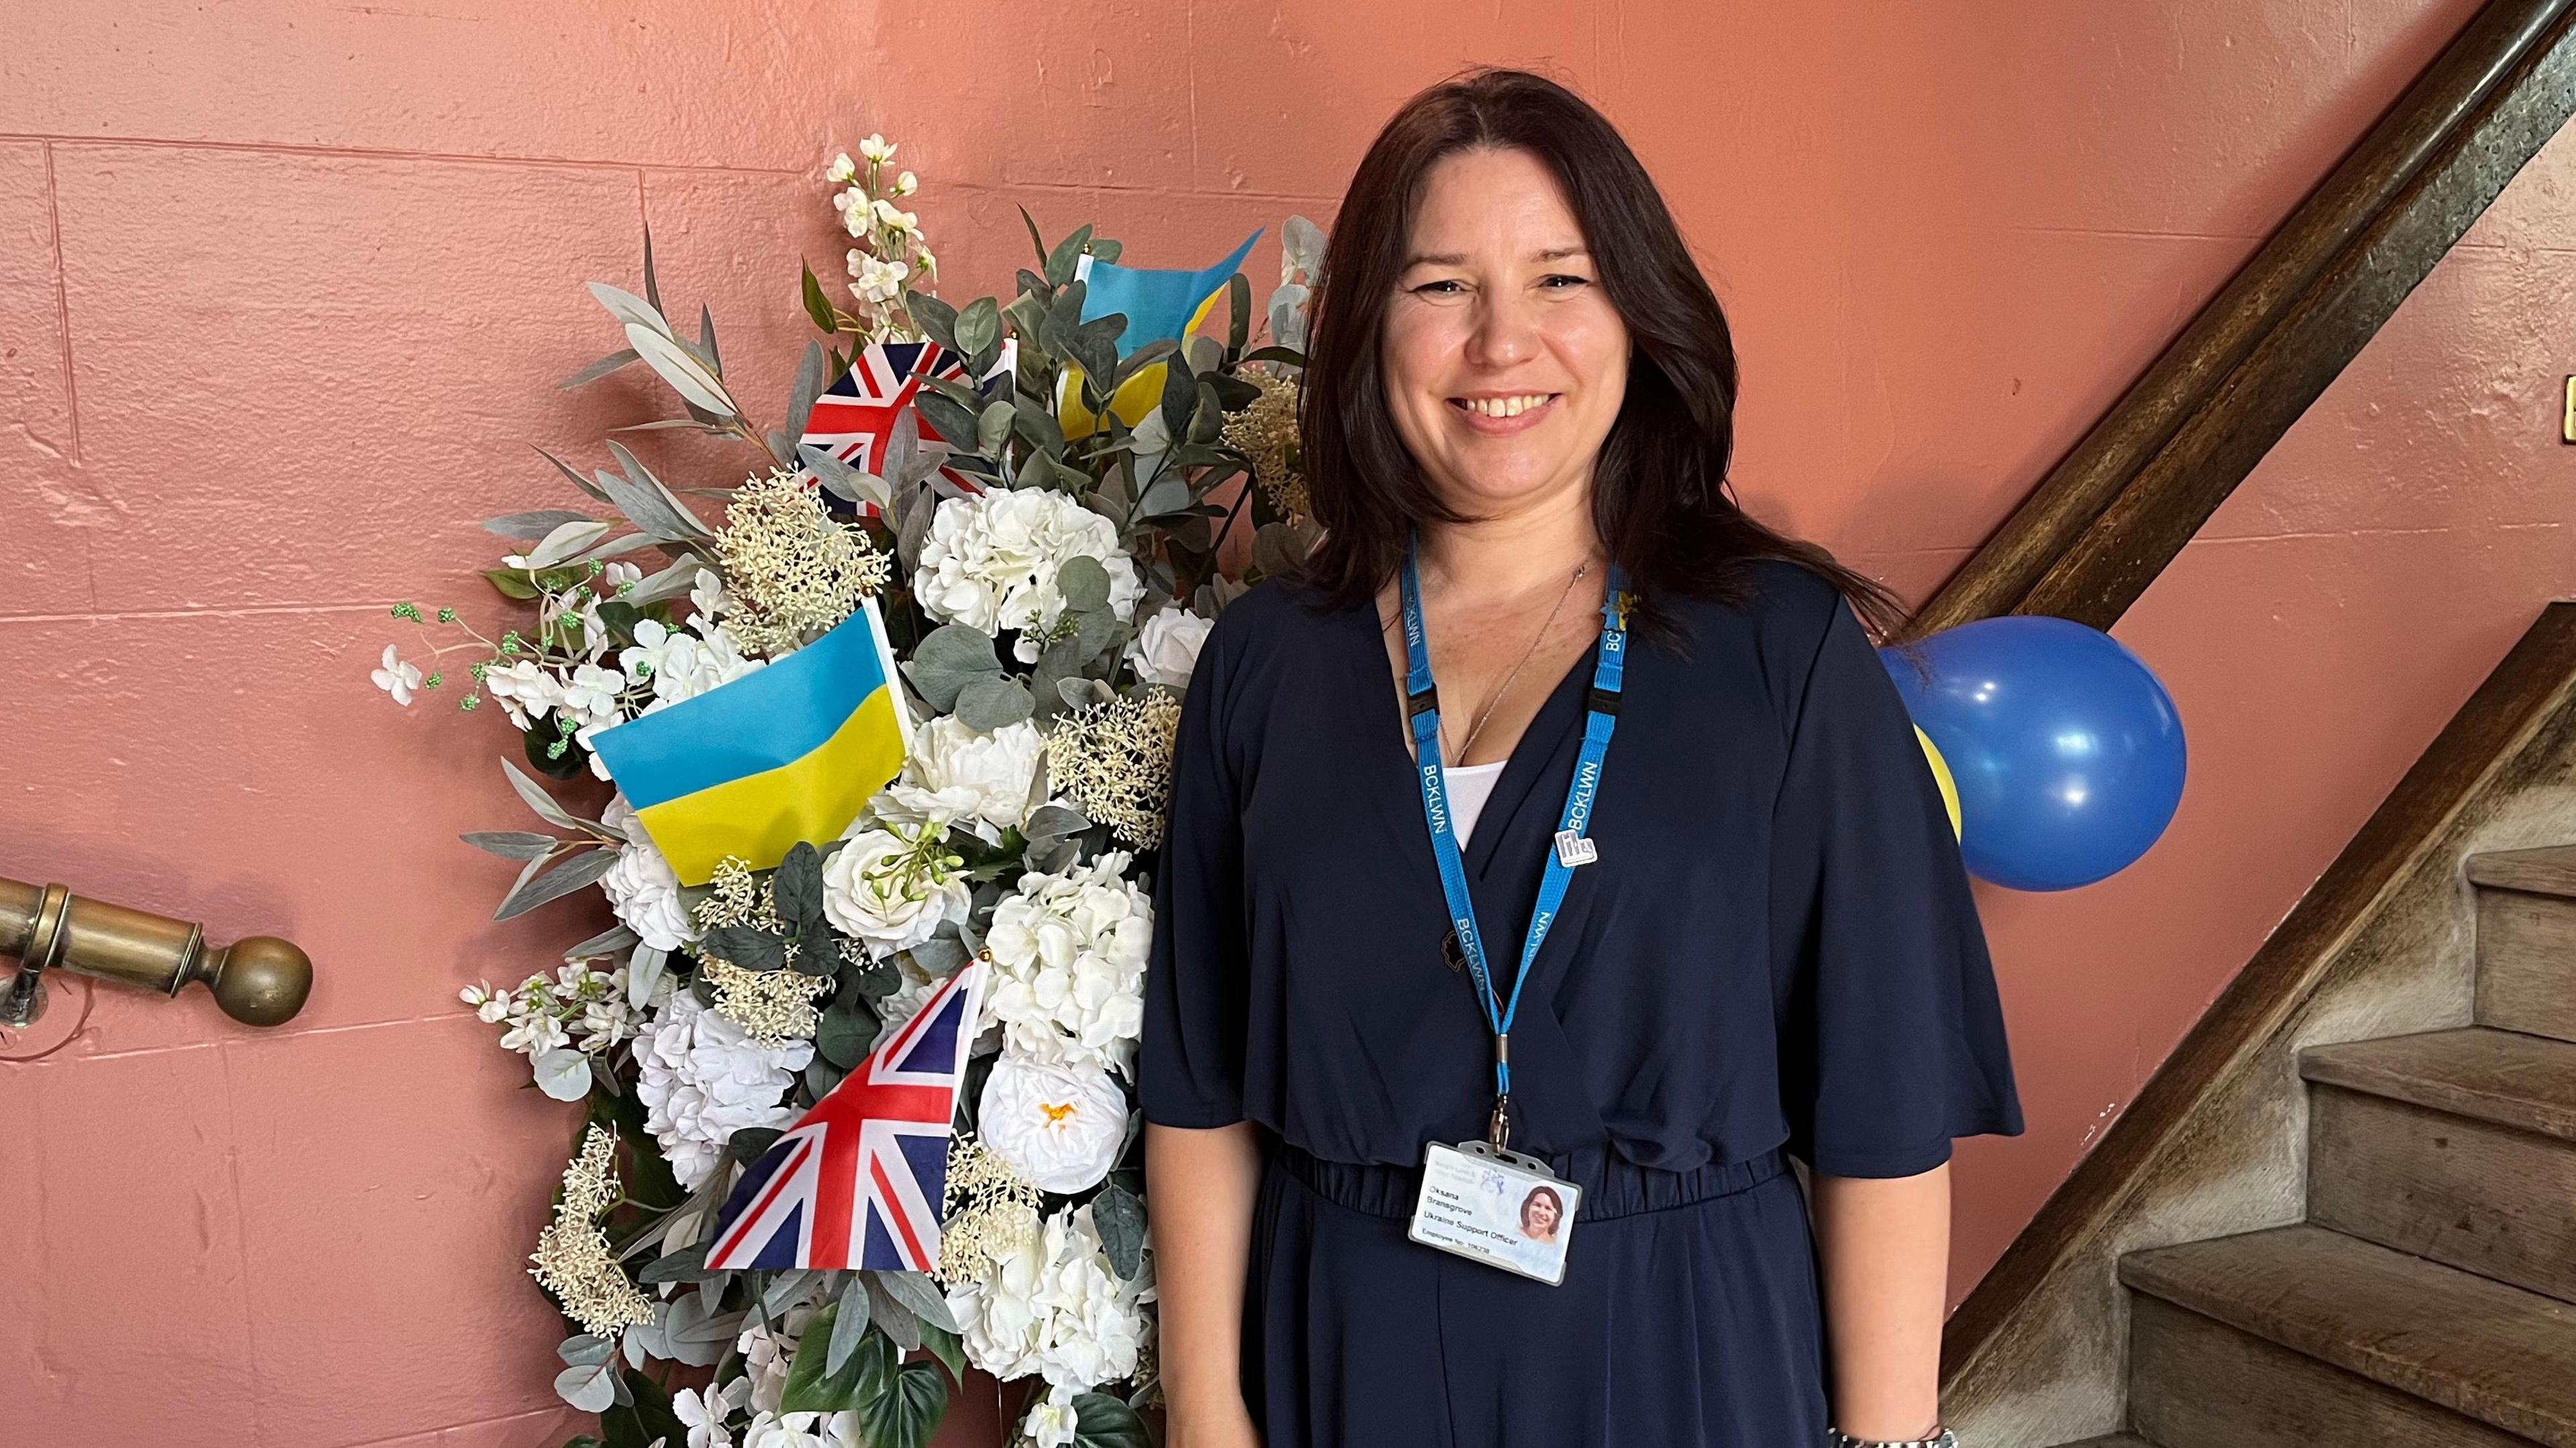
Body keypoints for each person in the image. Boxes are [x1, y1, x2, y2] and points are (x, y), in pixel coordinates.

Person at [1141, 66, 2022, 1448]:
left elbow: (1882, 1103)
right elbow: (1200, 1089)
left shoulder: (1779, 653)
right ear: (1369, 330)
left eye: (1562, 279)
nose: (1504, 345)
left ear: (1637, 316)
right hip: (1345, 1342)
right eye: (1441, 288)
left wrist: (1888, 1440)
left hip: (1683, 1339)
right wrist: (1207, 1413)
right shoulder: (1267, 666)